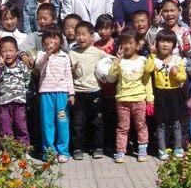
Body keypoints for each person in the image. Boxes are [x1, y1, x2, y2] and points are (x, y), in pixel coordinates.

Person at [108, 29, 153, 163]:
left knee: (141, 125)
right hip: (122, 100)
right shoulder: (119, 61)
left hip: (139, 99)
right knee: (122, 127)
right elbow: (111, 78)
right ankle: (121, 150)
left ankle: (142, 149)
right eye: (124, 43)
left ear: (137, 45)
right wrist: (117, 61)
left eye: (130, 43)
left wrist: (150, 99)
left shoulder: (143, 60)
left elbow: (147, 81)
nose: (127, 46)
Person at [34, 26, 75, 163]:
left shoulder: (65, 56)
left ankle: (63, 151)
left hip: (62, 93)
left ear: (61, 41)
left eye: (55, 37)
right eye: (48, 37)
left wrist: (71, 94)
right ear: (43, 41)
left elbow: (69, 76)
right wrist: (48, 54)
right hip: (46, 93)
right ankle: (49, 152)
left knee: (62, 122)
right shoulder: (41, 54)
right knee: (47, 124)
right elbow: (38, 66)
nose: (51, 41)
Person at [69, 21, 107, 160]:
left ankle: (97, 147)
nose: (80, 37)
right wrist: (72, 69)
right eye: (78, 34)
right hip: (78, 92)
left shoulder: (97, 52)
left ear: (92, 37)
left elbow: (110, 62)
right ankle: (78, 148)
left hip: (94, 91)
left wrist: (118, 58)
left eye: (83, 34)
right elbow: (66, 72)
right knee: (78, 123)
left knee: (97, 122)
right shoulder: (71, 53)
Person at [146, 29, 187, 159]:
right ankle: (161, 149)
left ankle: (177, 147)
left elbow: (183, 77)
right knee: (161, 123)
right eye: (162, 41)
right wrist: (151, 54)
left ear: (174, 45)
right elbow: (147, 70)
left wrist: (176, 74)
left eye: (169, 42)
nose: (165, 44)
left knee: (176, 122)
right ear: (156, 43)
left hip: (175, 94)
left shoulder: (177, 60)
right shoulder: (154, 59)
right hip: (160, 95)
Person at [0, 36, 31, 147]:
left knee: (21, 125)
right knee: (5, 126)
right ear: (0, 53)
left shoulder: (22, 66)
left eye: (10, 50)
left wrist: (28, 95)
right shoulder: (0, 67)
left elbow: (28, 80)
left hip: (20, 102)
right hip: (5, 103)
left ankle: (23, 149)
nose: (8, 54)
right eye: (4, 51)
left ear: (16, 51)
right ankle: (7, 149)